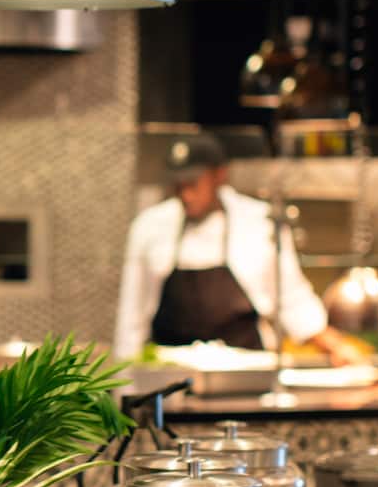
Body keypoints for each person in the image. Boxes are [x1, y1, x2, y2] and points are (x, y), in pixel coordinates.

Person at [114, 133, 365, 364]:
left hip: (245, 369)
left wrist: (334, 345)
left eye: (193, 183)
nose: (186, 194)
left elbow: (291, 297)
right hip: (170, 372)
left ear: (219, 175)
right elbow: (131, 317)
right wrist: (124, 388)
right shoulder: (149, 227)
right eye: (178, 185)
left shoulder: (259, 222)